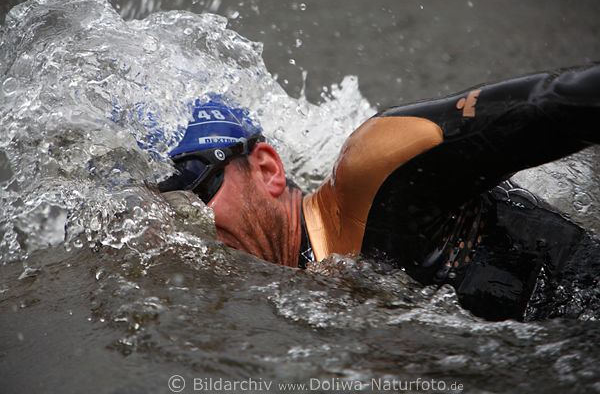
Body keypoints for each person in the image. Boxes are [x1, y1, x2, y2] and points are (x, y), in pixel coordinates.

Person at [159, 64, 600, 320]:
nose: (183, 226)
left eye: (192, 192)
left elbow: (560, 100)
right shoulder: (296, 313)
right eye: (163, 209)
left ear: (267, 168)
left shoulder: (373, 170)